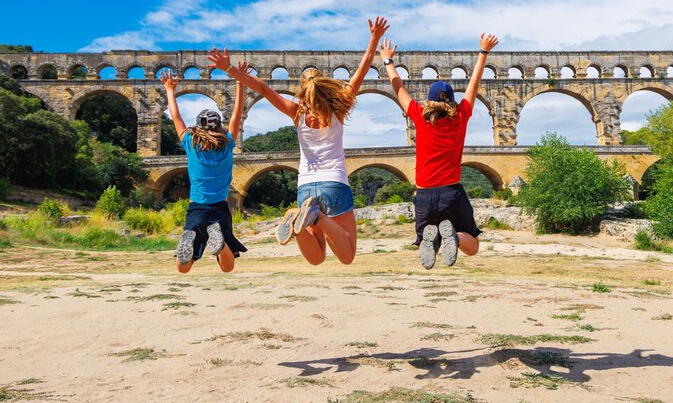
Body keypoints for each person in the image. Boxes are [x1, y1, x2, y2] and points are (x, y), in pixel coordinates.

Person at [207, 17, 389, 266]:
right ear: (324, 86)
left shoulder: (297, 113)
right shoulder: (339, 108)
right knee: (346, 256)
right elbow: (362, 69)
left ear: (302, 89)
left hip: (306, 186)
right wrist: (374, 40)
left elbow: (263, 89)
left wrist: (230, 69)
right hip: (334, 183)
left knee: (316, 258)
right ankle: (317, 216)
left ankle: (300, 219)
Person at [379, 32, 499, 269]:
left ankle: (435, 238)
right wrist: (483, 52)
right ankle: (452, 235)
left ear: (429, 101)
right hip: (451, 193)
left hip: (424, 195)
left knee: (427, 241)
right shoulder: (461, 116)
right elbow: (473, 85)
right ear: (452, 101)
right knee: (472, 245)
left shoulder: (418, 116)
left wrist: (387, 61)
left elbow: (399, 88)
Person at [161, 67, 249, 273]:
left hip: (197, 209)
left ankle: (188, 244)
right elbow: (237, 114)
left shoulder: (190, 143)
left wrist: (170, 90)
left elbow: (175, 116)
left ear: (198, 128)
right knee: (227, 266)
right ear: (219, 126)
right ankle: (221, 243)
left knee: (183, 268)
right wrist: (240, 82)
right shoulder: (227, 143)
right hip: (220, 209)